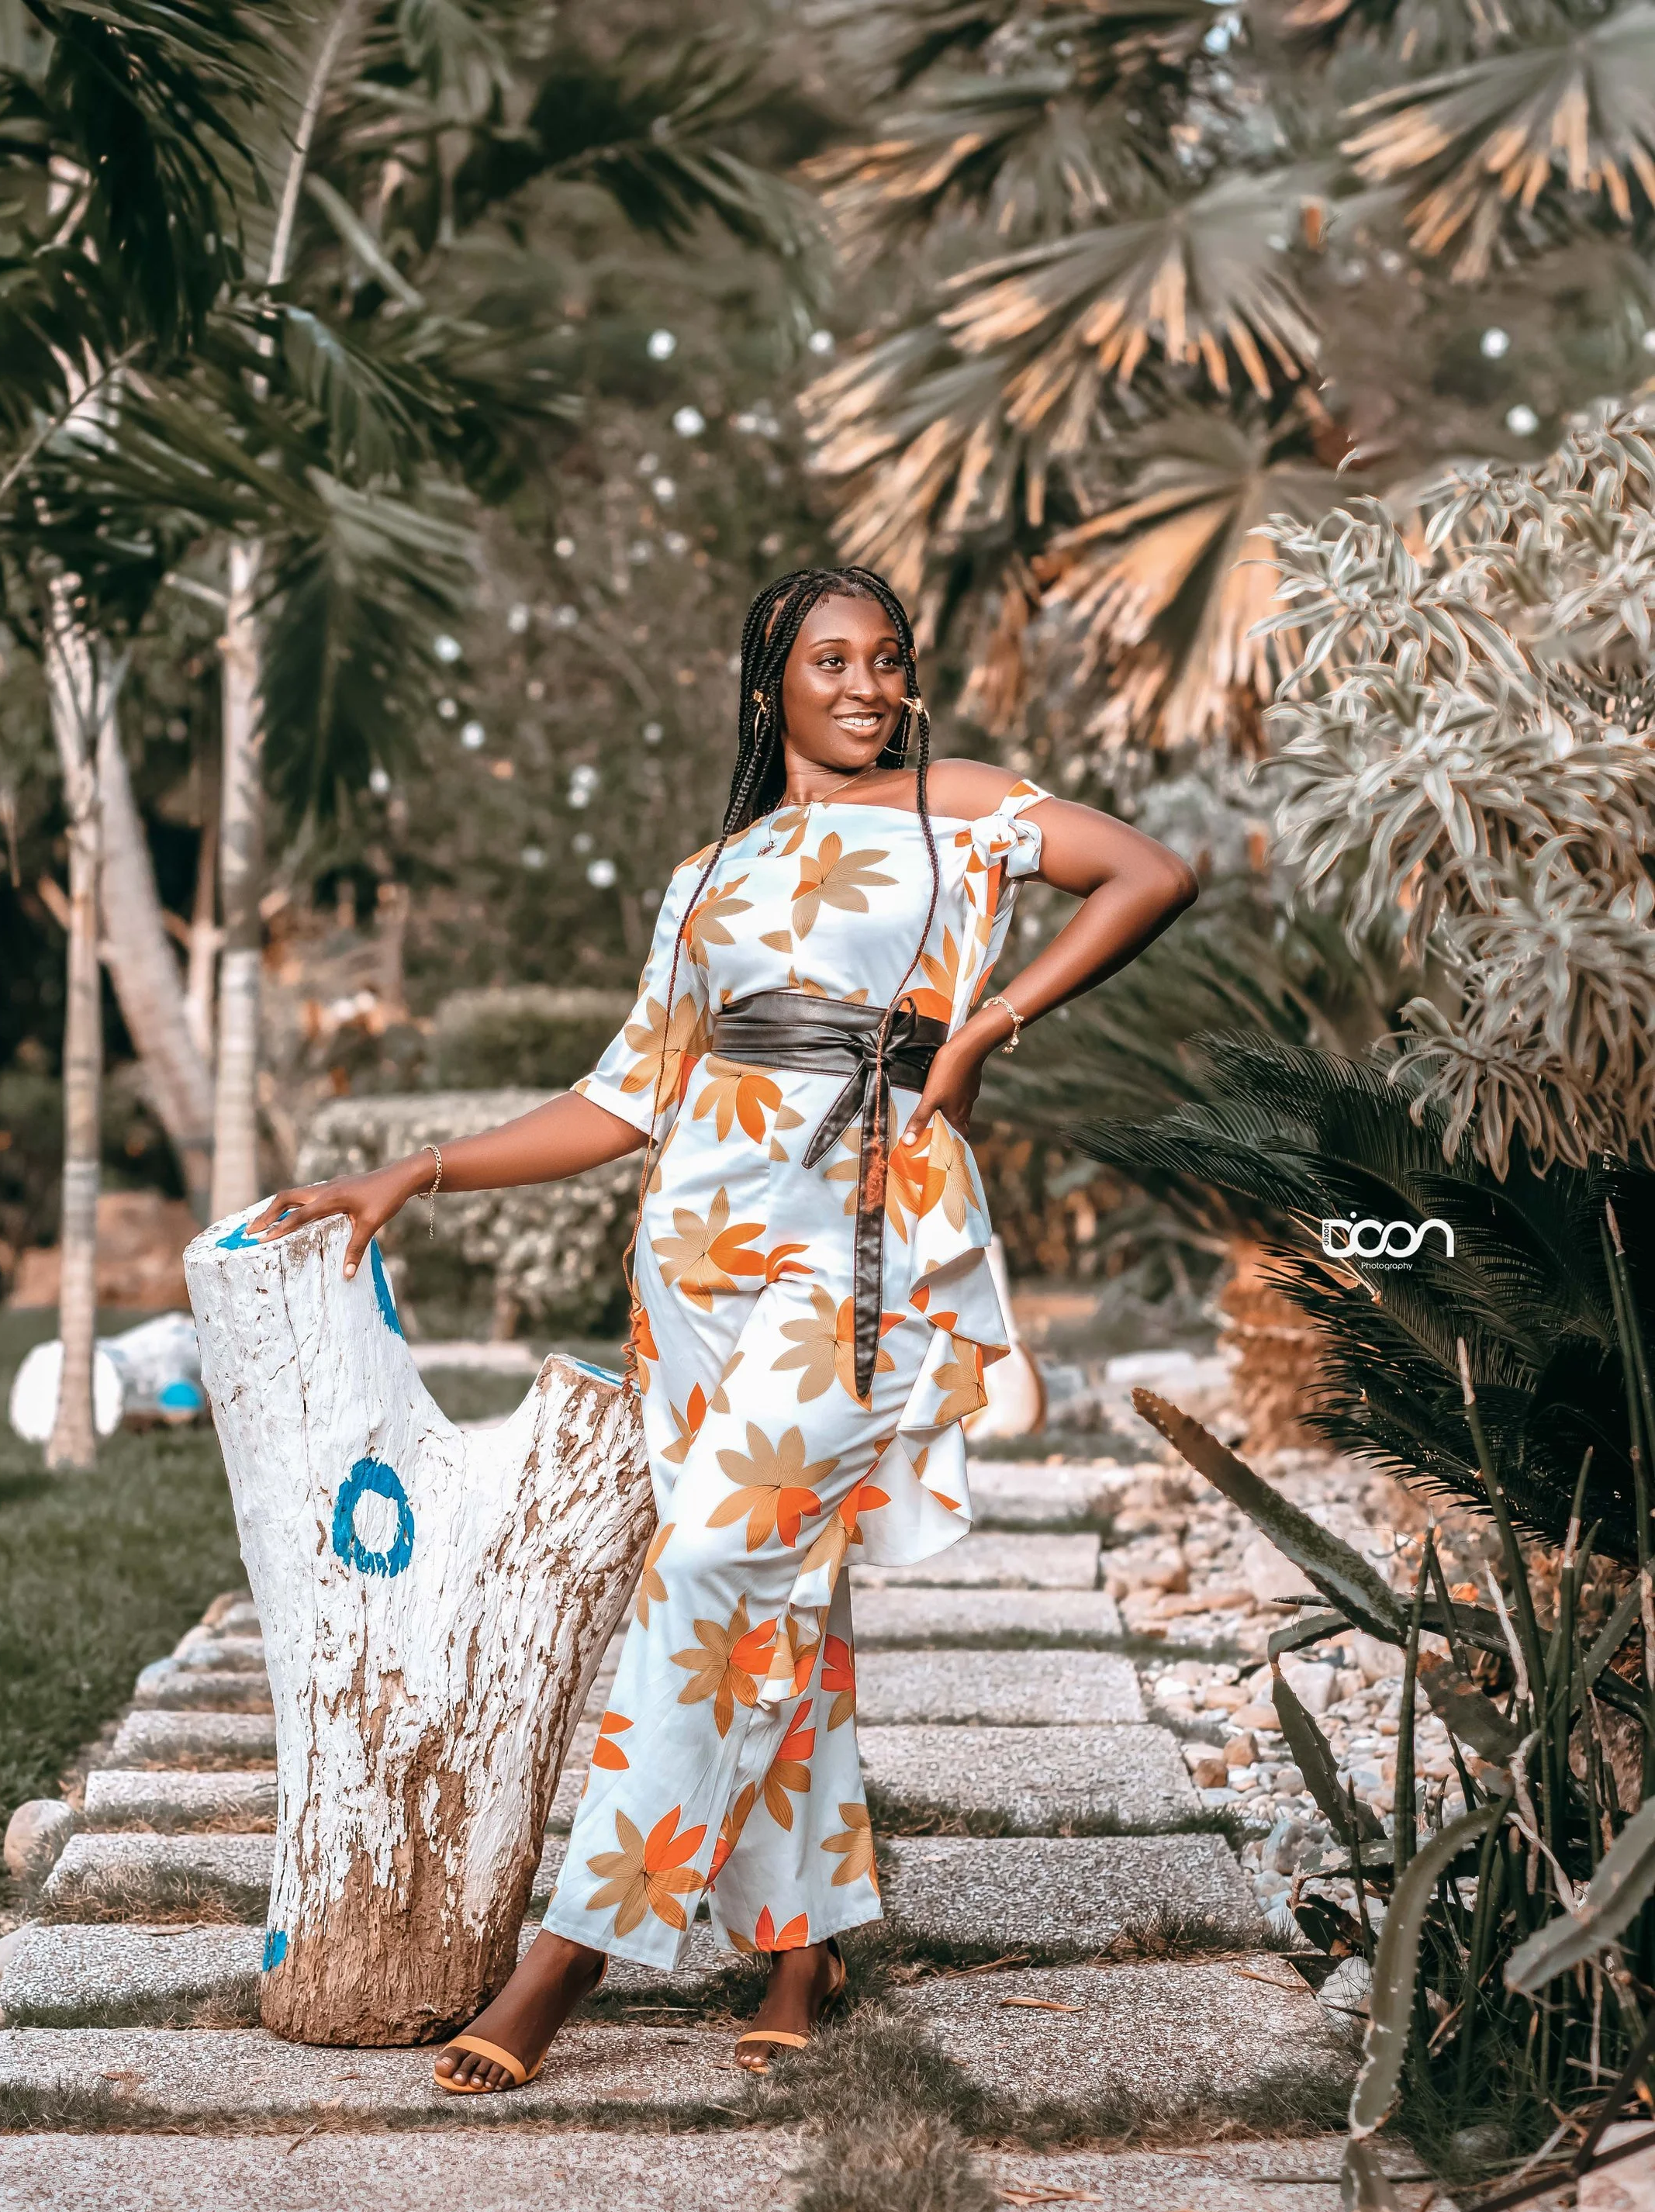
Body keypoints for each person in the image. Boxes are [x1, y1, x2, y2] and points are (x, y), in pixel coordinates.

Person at [252, 564, 1198, 2092]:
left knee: (702, 1569)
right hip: (692, 1253)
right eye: (830, 659)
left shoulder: (951, 803)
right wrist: (411, 1172)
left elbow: (1149, 871)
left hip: (866, 1241)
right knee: (770, 1591)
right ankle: (799, 1940)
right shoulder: (705, 876)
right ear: (769, 681)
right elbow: (624, 1096)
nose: (865, 684)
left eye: (886, 658)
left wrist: (976, 1031)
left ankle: (571, 1946)